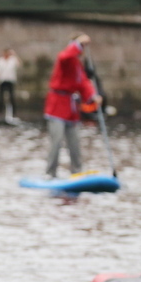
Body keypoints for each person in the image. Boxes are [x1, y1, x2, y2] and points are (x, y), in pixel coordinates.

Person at [43, 34, 102, 178]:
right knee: (56, 141)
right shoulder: (65, 59)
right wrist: (78, 42)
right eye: (79, 47)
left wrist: (94, 96)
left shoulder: (77, 65)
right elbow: (64, 56)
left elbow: (83, 83)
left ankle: (77, 171)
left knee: (75, 143)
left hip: (71, 109)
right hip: (57, 106)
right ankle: (50, 173)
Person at [0, 47, 21, 122]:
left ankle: (14, 113)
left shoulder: (13, 60)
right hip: (2, 80)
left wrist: (15, 55)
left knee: (12, 97)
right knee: (0, 97)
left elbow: (19, 65)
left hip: (10, 80)